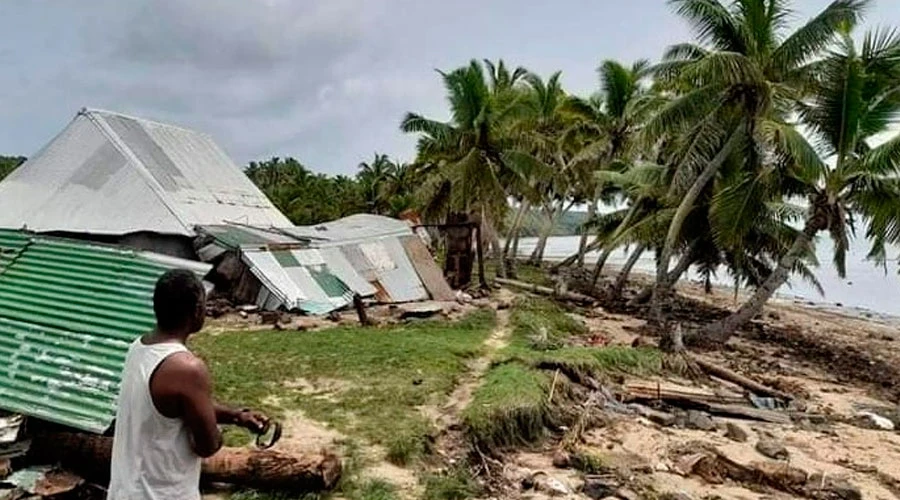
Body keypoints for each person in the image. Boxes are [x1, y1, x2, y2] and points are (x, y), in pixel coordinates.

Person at [108, 269, 268, 500]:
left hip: (126, 491)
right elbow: (207, 445)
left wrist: (235, 416)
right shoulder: (187, 369)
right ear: (196, 311)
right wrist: (212, 431)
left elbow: (171, 407)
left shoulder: (139, 348)